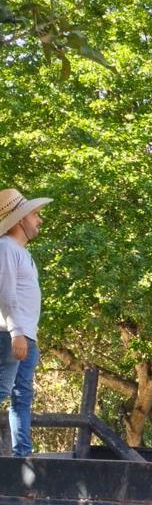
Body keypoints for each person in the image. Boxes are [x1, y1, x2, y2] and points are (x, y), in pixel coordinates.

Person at [0, 188, 52, 457]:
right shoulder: (6, 247)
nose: (39, 220)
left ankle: (22, 457)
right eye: (35, 214)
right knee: (2, 390)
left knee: (22, 397)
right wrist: (17, 333)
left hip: (24, 335)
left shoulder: (21, 252)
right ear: (20, 219)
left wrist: (27, 335)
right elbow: (5, 294)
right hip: (9, 333)